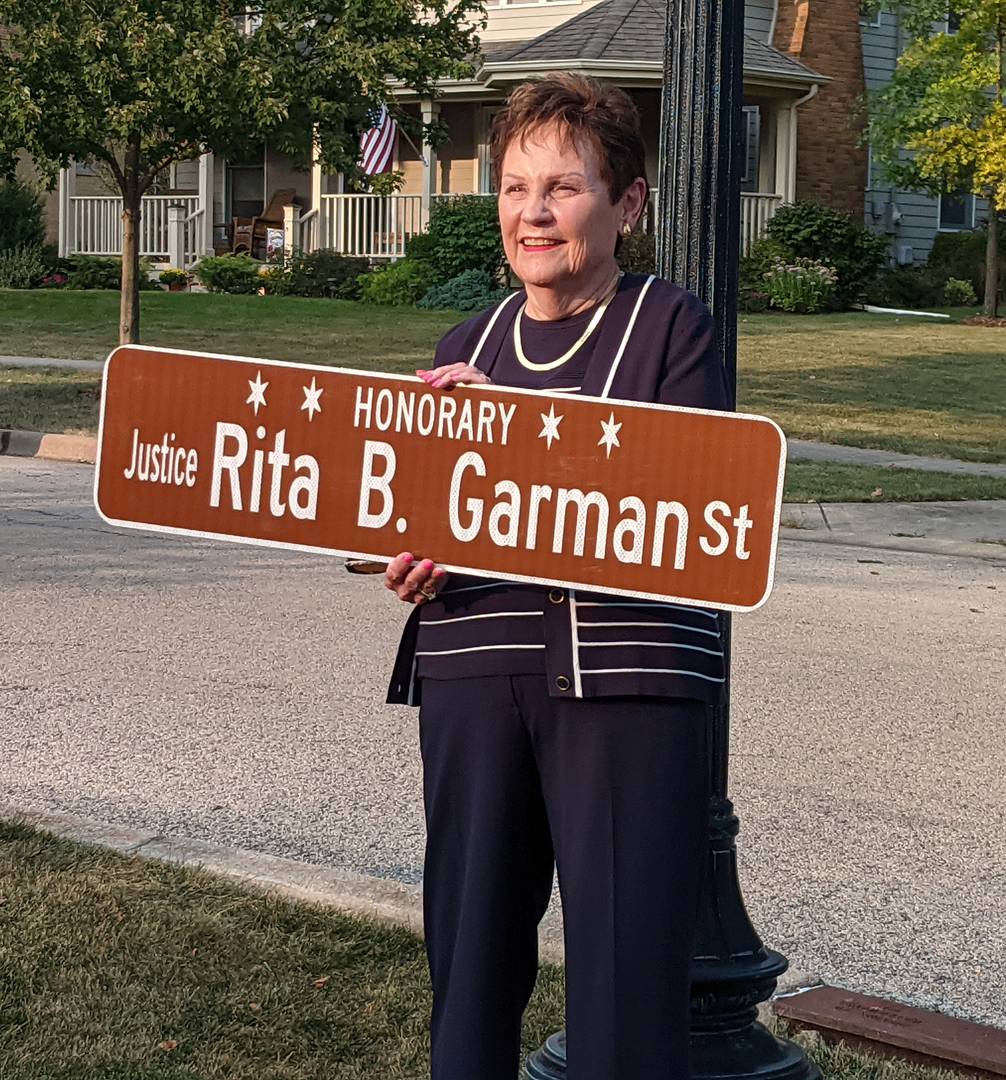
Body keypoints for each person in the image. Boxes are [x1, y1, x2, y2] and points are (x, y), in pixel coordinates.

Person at [382, 72, 729, 1080]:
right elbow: (434, 520)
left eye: (564, 188)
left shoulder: (673, 330)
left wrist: (521, 435)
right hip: (472, 675)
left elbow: (691, 502)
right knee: (471, 952)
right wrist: (411, 562)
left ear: (626, 205)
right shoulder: (465, 344)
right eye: (514, 187)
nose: (533, 213)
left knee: (626, 974)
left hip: (629, 686)